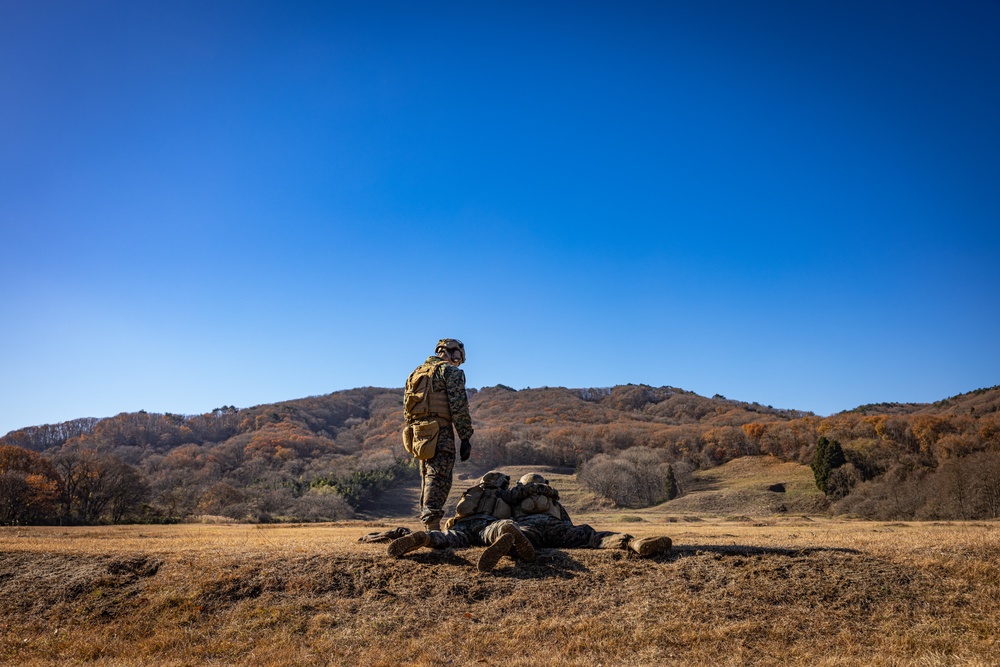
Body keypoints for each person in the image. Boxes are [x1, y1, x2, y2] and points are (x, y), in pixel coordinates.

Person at [387, 471, 536, 572]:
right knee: (499, 528)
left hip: (462, 525)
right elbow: (522, 492)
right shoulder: (503, 493)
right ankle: (505, 531)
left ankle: (427, 538)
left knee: (447, 537)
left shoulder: (472, 492)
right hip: (486, 524)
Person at [402, 339, 474, 531]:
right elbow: (459, 406)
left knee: (427, 476)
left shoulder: (416, 373)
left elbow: (407, 409)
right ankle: (432, 526)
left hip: (420, 433)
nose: (458, 363)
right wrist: (465, 437)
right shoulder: (449, 372)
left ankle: (428, 523)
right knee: (440, 477)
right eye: (458, 358)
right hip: (440, 431)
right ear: (453, 354)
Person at [512, 473, 672, 557]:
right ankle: (632, 543)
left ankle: (511, 546)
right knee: (593, 536)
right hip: (556, 527)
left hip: (529, 528)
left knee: (519, 539)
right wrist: (568, 534)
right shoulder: (552, 501)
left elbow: (507, 519)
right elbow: (567, 522)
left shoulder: (515, 501)